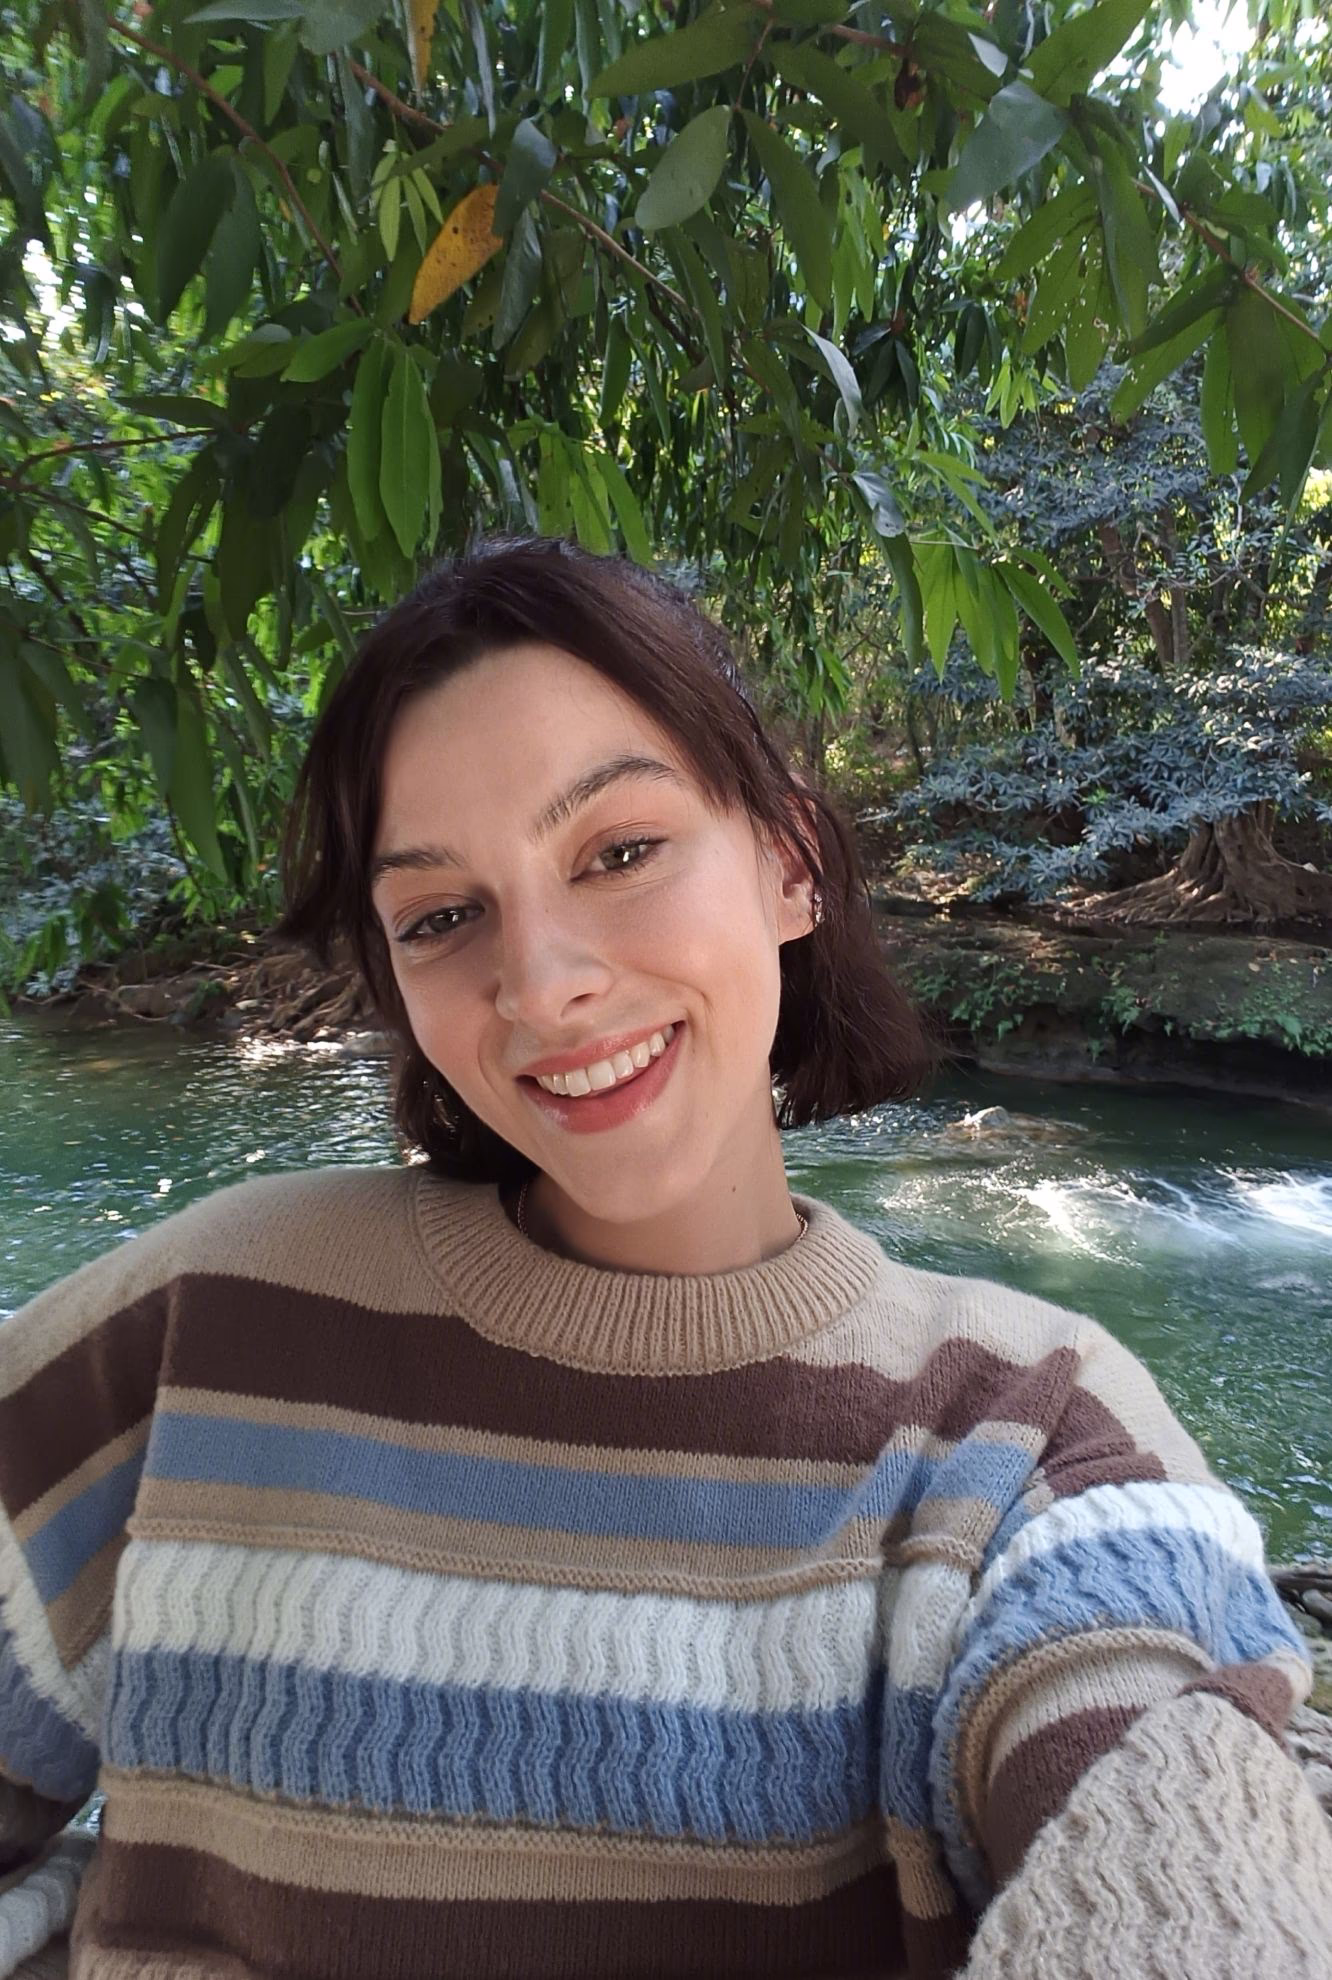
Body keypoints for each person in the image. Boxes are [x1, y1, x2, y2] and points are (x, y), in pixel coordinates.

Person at [0, 535, 1328, 1980]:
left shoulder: (1031, 1433)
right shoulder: (208, 1323)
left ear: (790, 866)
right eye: (443, 917)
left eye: (620, 852)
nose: (544, 985)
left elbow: (1166, 1807)